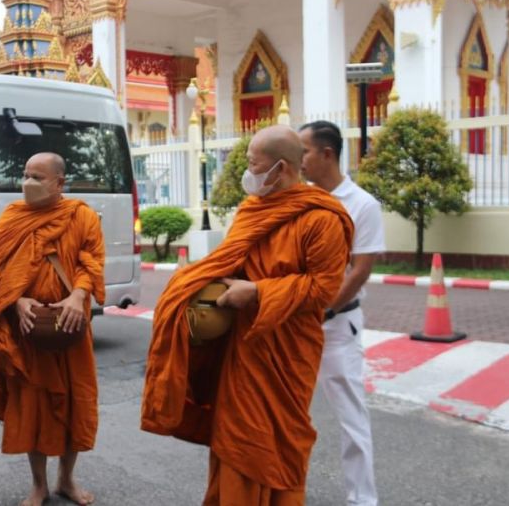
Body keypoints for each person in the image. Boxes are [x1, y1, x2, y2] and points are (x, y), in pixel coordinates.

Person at [141, 125, 354, 505]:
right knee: (235, 438)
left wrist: (257, 292)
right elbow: (231, 261)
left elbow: (322, 288)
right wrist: (197, 284)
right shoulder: (252, 209)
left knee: (278, 441)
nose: (249, 173)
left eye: (255, 165)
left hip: (286, 350)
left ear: (283, 169)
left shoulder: (322, 219)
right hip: (243, 346)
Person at [0, 152, 104, 506]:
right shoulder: (12, 217)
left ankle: (66, 479)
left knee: (75, 405)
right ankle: (38, 485)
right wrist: (16, 301)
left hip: (71, 327)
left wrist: (79, 296)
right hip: (29, 331)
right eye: (25, 174)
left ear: (59, 183)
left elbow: (90, 259)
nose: (28, 183)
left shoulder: (81, 216)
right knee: (32, 408)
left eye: (37, 177)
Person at [300, 120, 385, 506]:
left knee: (351, 417)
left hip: (337, 326)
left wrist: (323, 310)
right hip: (299, 323)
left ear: (327, 154)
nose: (298, 161)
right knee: (287, 409)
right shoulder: (303, 199)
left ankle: (362, 500)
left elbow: (360, 268)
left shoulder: (362, 204)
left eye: (304, 152)